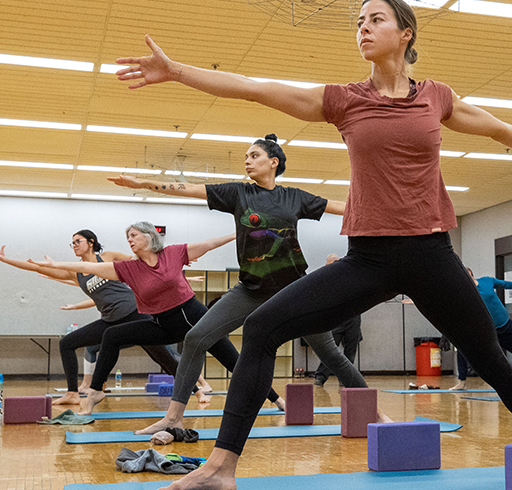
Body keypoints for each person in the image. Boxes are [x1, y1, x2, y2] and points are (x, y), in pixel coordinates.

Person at [114, 0, 512, 490]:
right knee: (261, 328)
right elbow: (256, 88)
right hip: (369, 257)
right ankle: (220, 467)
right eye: (359, 22)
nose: (363, 29)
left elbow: (493, 126)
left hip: (430, 253)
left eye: (376, 20)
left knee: (494, 361)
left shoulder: (435, 96)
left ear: (405, 33)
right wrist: (178, 72)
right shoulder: (344, 100)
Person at [109, 136, 388, 443]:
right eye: (245, 156)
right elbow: (189, 189)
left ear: (273, 162)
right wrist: (144, 183)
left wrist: (382, 214)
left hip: (295, 291)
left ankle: (375, 413)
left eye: (254, 155)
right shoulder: (238, 193)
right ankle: (173, 417)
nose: (247, 160)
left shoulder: (293, 197)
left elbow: (339, 207)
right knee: (195, 338)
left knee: (332, 356)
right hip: (251, 289)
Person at [32, 223, 270, 418]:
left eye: (134, 235)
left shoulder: (169, 253)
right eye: (128, 237)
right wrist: (49, 264)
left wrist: (238, 232)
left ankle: (273, 398)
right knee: (112, 338)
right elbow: (82, 269)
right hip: (157, 323)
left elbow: (208, 244)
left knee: (224, 360)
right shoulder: (129, 268)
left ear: (149, 236)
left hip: (190, 318)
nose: (130, 240)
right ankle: (94, 391)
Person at [0, 231, 190, 405]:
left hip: (134, 313)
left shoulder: (107, 257)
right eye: (72, 243)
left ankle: (193, 389)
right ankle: (72, 393)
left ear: (91, 242)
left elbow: (141, 260)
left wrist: (176, 260)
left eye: (78, 241)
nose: (74, 245)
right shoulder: (76, 272)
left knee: (161, 355)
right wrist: (4, 259)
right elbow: (37, 267)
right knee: (67, 343)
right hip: (109, 319)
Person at [313, 255, 362, 387]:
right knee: (330, 350)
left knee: (350, 352)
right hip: (335, 318)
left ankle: (345, 380)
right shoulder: (323, 279)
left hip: (353, 317)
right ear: (326, 265)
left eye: (337, 263)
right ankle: (320, 377)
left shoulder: (350, 276)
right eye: (332, 263)